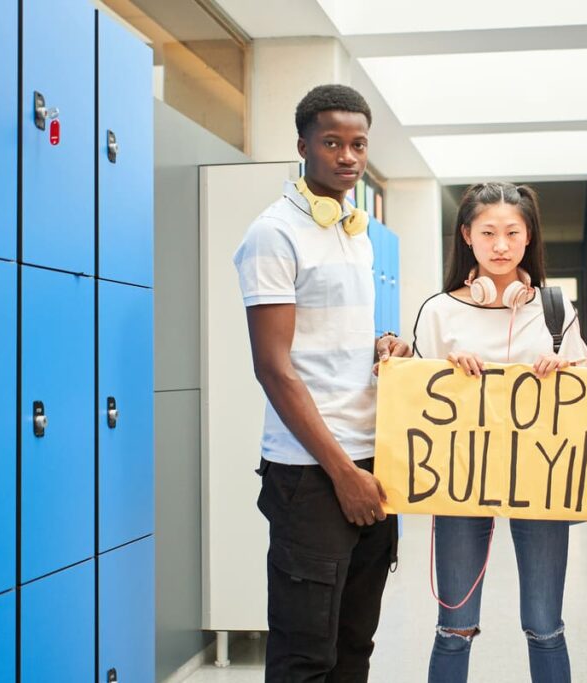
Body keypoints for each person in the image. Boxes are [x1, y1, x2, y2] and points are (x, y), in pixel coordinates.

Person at [232, 83, 411, 682]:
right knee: (305, 656)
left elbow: (330, 339)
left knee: (354, 646)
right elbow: (273, 368)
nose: (348, 156)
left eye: (359, 144)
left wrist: (381, 347)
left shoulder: (354, 230)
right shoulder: (274, 234)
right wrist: (343, 475)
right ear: (303, 146)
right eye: (332, 142)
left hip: (371, 459)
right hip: (312, 474)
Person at [411, 182, 587, 683]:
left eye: (513, 232)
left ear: (529, 237)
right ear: (466, 235)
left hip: (539, 478)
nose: (500, 245)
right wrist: (444, 372)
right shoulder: (439, 311)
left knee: (545, 625)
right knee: (454, 626)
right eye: (488, 232)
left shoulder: (555, 309)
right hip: (461, 480)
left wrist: (564, 368)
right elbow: (416, 402)